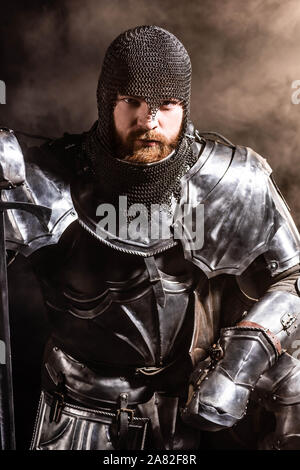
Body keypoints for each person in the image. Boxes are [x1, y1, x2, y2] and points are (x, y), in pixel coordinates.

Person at [2, 25, 300, 451]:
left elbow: (294, 275)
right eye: (133, 102)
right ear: (108, 103)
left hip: (186, 415)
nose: (149, 121)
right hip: (79, 414)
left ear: (184, 106)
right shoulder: (35, 176)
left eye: (166, 104)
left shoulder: (233, 180)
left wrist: (237, 365)